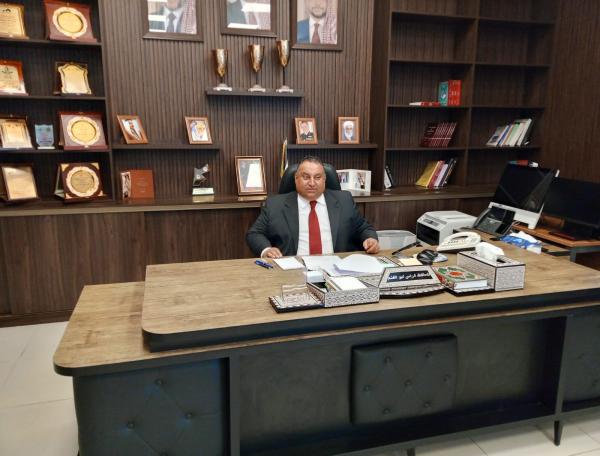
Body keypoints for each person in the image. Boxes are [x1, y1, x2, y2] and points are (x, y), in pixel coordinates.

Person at [246, 156, 380, 258]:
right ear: (296, 178)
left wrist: (370, 239)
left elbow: (363, 228)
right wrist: (267, 250)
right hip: (292, 269)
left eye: (317, 177)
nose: (312, 183)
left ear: (324, 179)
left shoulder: (344, 200)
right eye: (306, 177)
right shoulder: (276, 205)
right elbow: (254, 234)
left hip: (337, 267)